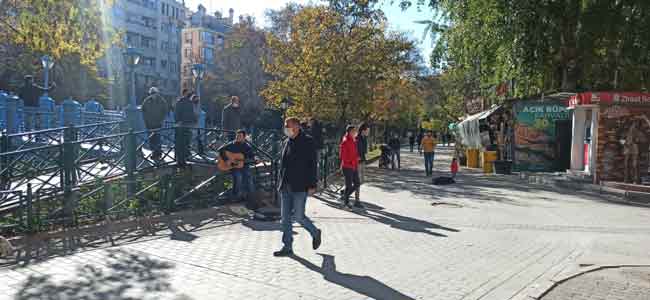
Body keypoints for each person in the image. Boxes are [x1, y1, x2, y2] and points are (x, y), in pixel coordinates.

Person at [274, 117, 321, 257]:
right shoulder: (286, 142)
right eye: (285, 125)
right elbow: (283, 165)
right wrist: (280, 183)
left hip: (300, 185)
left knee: (299, 216)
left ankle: (315, 232)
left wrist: (313, 184)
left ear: (296, 126)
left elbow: (313, 164)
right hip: (286, 185)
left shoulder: (307, 141)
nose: (285, 128)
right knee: (285, 218)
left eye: (287, 125)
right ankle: (287, 246)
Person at [218, 130, 256, 205]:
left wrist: (255, 160)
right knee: (238, 176)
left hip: (244, 166)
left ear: (244, 137)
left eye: (240, 136)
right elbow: (220, 150)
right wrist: (227, 160)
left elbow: (252, 157)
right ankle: (235, 196)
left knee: (248, 177)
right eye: (237, 136)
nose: (237, 137)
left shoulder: (247, 146)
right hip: (233, 166)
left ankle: (251, 197)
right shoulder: (232, 144)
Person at [141, 87, 168, 160]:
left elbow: (165, 110)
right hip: (149, 123)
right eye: (151, 93)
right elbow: (143, 110)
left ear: (157, 93)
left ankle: (158, 153)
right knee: (151, 139)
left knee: (157, 138)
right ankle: (154, 153)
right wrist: (146, 119)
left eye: (154, 93)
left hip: (158, 123)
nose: (152, 95)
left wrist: (161, 119)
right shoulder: (146, 100)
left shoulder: (161, 100)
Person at [339, 125, 361, 208]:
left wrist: (356, 158)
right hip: (347, 166)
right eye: (354, 131)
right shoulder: (345, 141)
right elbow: (342, 156)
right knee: (349, 185)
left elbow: (354, 153)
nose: (355, 132)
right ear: (349, 132)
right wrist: (352, 160)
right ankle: (346, 202)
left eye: (355, 131)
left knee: (357, 183)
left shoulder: (353, 140)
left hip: (354, 165)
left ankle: (344, 196)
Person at [174, 90, 196, 167]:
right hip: (184, 125)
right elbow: (177, 113)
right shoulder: (183, 102)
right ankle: (181, 161)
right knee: (183, 143)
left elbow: (177, 113)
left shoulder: (182, 102)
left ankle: (182, 160)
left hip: (184, 125)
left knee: (184, 143)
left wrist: (178, 121)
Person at [355, 123, 369, 205]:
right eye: (367, 130)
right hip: (357, 162)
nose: (368, 132)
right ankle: (357, 200)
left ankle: (347, 190)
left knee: (362, 181)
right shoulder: (357, 138)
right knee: (358, 180)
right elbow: (355, 149)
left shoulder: (364, 138)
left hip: (363, 161)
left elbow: (365, 150)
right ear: (363, 130)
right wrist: (357, 156)